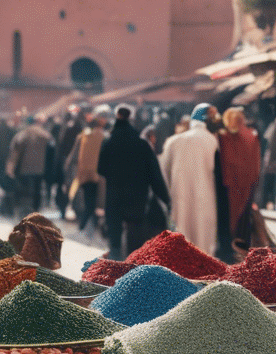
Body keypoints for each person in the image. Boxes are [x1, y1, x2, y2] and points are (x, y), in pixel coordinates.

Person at [99, 105, 170, 260]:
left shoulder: (108, 143)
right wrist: (165, 198)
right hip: (137, 197)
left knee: (115, 240)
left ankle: (115, 268)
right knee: (135, 237)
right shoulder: (142, 145)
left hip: (114, 195)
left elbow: (101, 169)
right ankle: (133, 268)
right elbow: (154, 175)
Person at [160, 103, 220, 255]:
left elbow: (164, 171)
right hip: (206, 195)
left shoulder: (173, 141)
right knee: (203, 237)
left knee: (182, 234)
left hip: (179, 196)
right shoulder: (212, 141)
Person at [218, 107, 262, 247]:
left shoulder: (223, 137)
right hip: (247, 185)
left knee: (233, 217)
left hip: (230, 186)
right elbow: (256, 166)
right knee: (243, 218)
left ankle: (232, 245)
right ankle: (241, 246)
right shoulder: (252, 136)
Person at [67, 108, 109, 232]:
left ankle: (89, 225)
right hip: (99, 175)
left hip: (84, 174)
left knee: (89, 201)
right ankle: (85, 226)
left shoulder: (83, 136)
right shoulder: (105, 137)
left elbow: (73, 156)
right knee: (94, 203)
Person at [6, 116, 52, 216]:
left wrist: (10, 168)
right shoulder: (45, 135)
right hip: (40, 168)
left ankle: (25, 211)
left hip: (25, 168)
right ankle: (36, 210)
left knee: (25, 190)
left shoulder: (22, 135)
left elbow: (15, 152)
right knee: (37, 190)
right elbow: (51, 150)